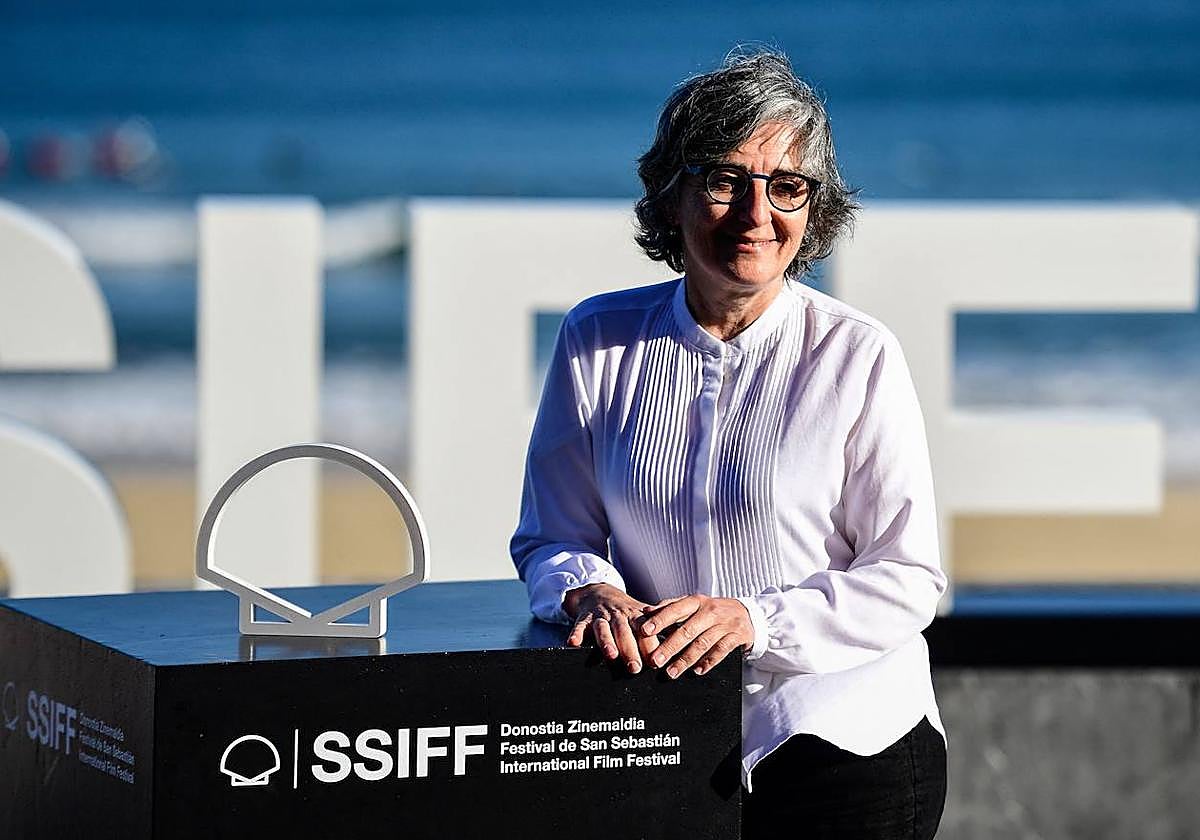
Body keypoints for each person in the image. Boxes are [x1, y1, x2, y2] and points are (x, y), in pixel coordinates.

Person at [511, 48, 947, 839]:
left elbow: (910, 578)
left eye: (786, 187)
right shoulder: (597, 337)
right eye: (724, 180)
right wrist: (588, 590)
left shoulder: (858, 353)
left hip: (846, 746)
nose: (757, 214)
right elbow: (552, 537)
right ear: (670, 197)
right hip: (657, 744)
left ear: (815, 209)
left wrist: (757, 620)